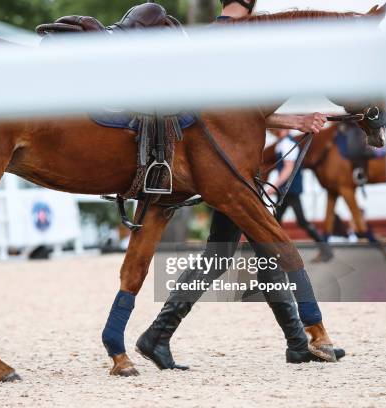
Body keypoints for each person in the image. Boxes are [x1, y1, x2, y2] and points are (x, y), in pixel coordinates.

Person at [135, 0, 343, 370]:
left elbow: (243, 110)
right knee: (264, 247)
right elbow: (221, 113)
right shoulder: (231, 35)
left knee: (225, 255)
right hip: (221, 168)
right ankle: (310, 335)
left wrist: (294, 120)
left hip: (229, 165)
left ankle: (160, 336)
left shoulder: (226, 34)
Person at [269, 128, 334, 262]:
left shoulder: (287, 144)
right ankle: (274, 254)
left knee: (298, 221)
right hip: (285, 189)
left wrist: (274, 185)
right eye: (275, 131)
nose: (276, 133)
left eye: (278, 130)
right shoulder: (282, 144)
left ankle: (325, 250)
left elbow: (288, 168)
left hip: (290, 189)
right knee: (276, 221)